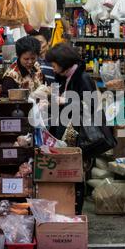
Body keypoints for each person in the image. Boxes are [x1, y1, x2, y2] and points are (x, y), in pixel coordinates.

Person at [45, 43, 98, 215]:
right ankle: (64, 209)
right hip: (65, 134)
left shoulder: (82, 78)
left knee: (75, 175)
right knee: (65, 174)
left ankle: (75, 212)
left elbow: (91, 105)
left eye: (53, 64)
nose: (52, 68)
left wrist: (64, 102)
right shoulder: (63, 77)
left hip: (78, 137)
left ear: (62, 62)